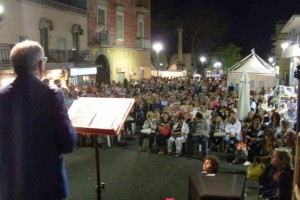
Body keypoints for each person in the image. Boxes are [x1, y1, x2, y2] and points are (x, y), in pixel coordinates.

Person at [0, 40, 77, 200]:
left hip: (10, 186)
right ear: (40, 64)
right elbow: (68, 143)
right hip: (46, 186)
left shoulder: (2, 96)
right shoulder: (52, 94)